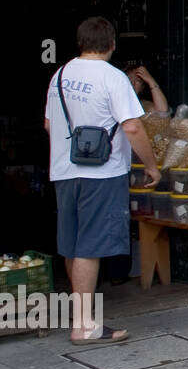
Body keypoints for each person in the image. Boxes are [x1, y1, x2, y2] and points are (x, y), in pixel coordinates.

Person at [44, 17, 161, 344]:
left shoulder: (60, 75)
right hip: (102, 172)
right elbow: (133, 127)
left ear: (80, 42)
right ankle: (84, 325)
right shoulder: (113, 78)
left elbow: (49, 125)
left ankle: (83, 316)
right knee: (91, 246)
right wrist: (151, 166)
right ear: (111, 44)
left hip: (65, 171)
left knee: (73, 244)